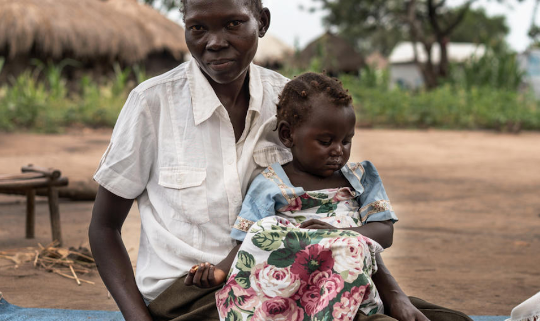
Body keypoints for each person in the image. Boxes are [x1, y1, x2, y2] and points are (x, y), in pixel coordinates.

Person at [89, 1, 473, 320]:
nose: (215, 42)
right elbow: (104, 229)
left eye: (234, 24)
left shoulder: (292, 103)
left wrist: (394, 293)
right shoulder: (151, 104)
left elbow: (341, 219)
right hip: (193, 296)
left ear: (262, 23)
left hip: (301, 273)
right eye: (198, 28)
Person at [185, 72, 396, 320]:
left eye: (346, 141)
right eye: (326, 141)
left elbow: (385, 232)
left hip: (349, 286)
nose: (338, 150)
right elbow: (250, 241)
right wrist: (219, 271)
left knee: (351, 247)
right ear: (287, 135)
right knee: (267, 228)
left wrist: (333, 235)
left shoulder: (361, 177)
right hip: (292, 289)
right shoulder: (269, 184)